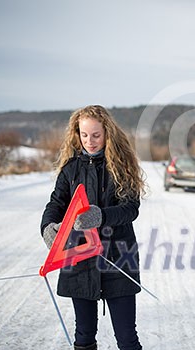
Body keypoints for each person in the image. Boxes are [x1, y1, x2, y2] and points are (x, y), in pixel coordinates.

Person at [40, 105, 145, 350]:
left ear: (107, 133)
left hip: (119, 257)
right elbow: (56, 203)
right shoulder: (71, 169)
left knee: (127, 337)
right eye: (84, 135)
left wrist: (101, 215)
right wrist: (48, 226)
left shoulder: (121, 166)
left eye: (96, 135)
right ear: (77, 134)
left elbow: (131, 208)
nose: (90, 141)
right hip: (80, 258)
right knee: (84, 335)